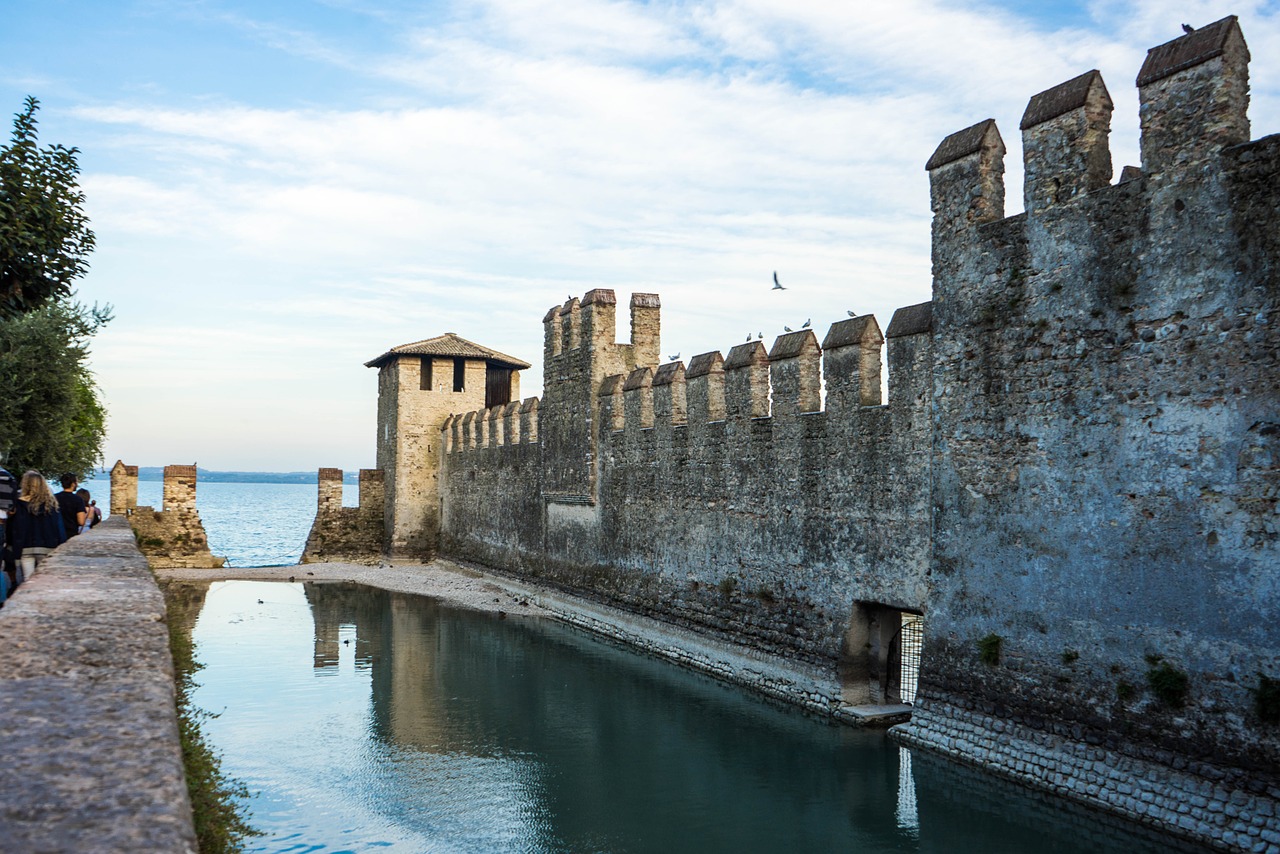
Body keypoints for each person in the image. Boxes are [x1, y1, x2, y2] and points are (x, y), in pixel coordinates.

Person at [9, 471, 66, 582]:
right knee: (45, 580)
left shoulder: (17, 504)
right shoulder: (51, 504)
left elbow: (14, 527)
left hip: (25, 546)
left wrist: (11, 545)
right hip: (47, 544)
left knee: (27, 579)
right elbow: (58, 526)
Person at [55, 473, 86, 538]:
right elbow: (81, 521)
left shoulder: (54, 498)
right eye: (76, 482)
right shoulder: (78, 500)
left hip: (56, 532)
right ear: (73, 484)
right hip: (71, 533)